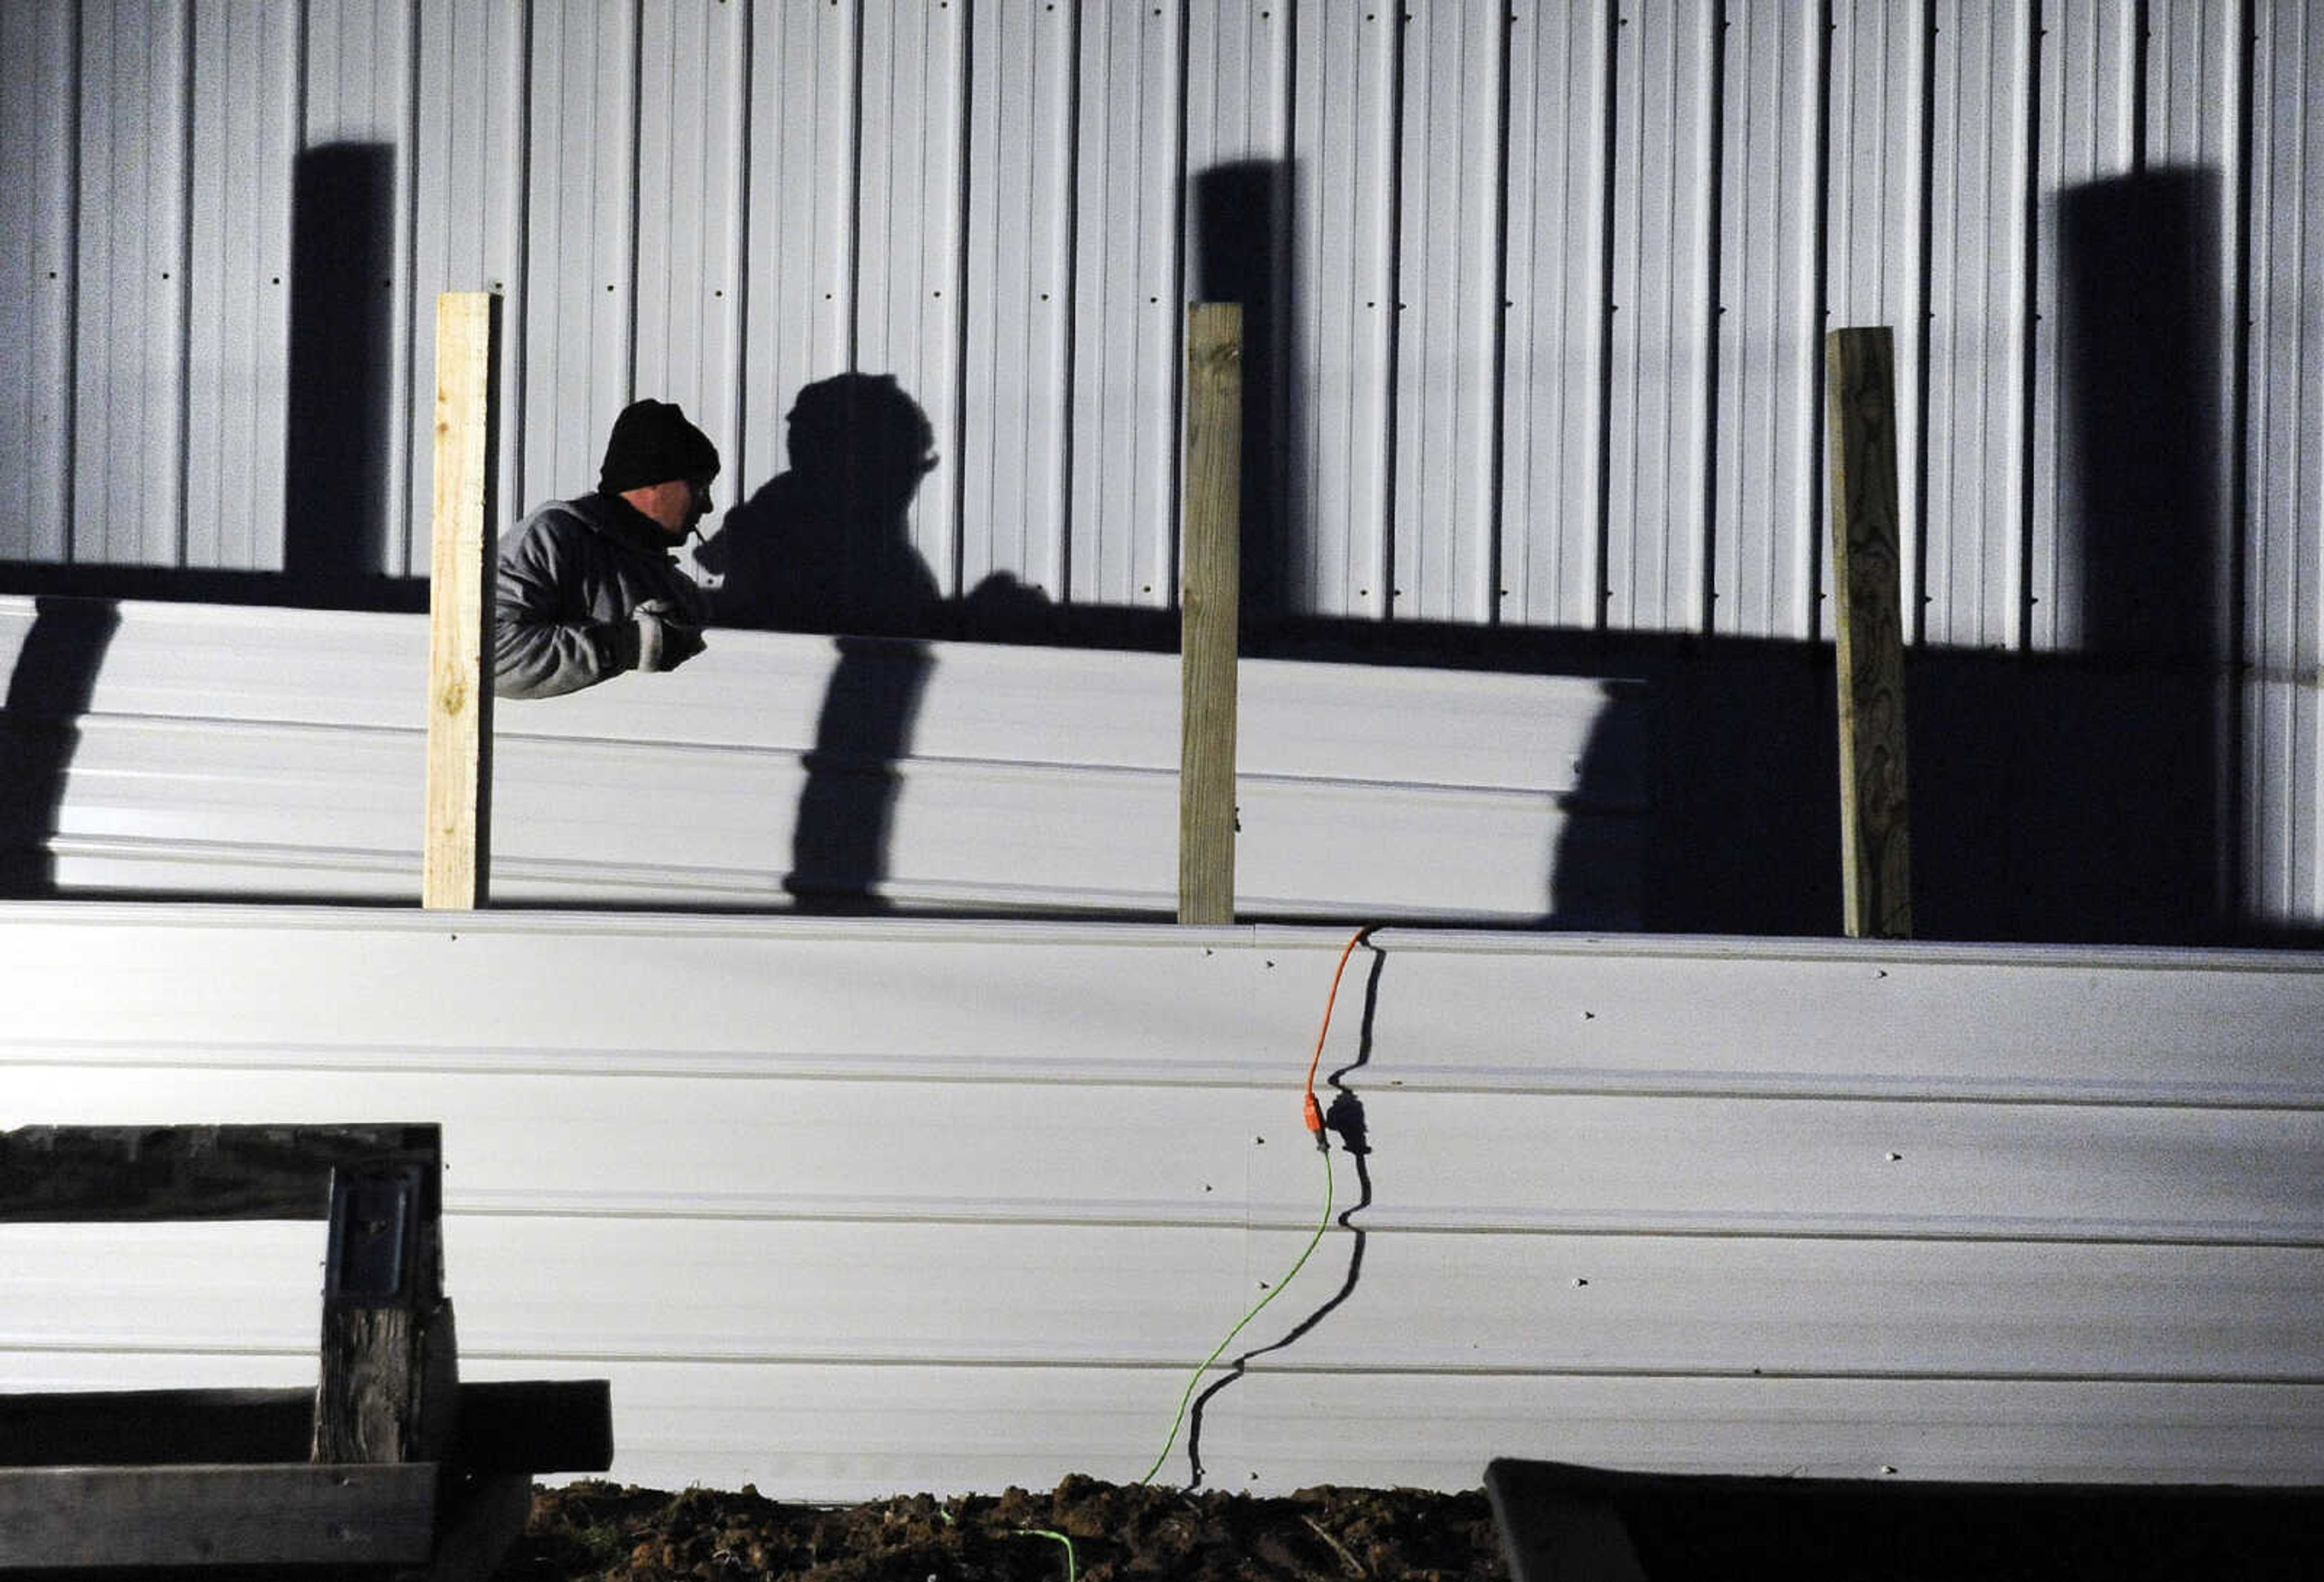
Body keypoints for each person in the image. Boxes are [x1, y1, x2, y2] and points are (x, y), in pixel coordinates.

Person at [493, 399, 720, 699]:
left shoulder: (675, 585)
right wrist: (630, 645)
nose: (707, 505)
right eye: (699, 488)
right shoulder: (554, 538)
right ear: (654, 482)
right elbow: (488, 655)